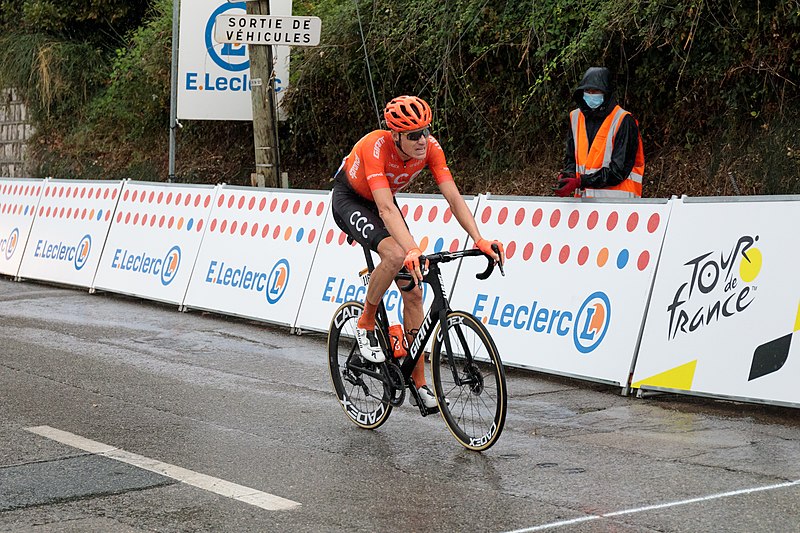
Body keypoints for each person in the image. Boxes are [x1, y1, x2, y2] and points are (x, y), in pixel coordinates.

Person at [331, 95, 504, 409]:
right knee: (397, 256)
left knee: (414, 292)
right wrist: (410, 248)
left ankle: (420, 382)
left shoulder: (431, 148)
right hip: (352, 199)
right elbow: (384, 208)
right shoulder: (375, 146)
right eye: (413, 135)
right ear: (395, 136)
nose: (423, 139)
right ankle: (366, 321)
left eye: (426, 130)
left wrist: (479, 238)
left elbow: (453, 197)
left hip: (381, 202)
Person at [554, 67, 645, 198]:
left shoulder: (623, 120)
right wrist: (568, 176)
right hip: (585, 204)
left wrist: (580, 182)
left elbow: (618, 171)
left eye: (596, 91)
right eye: (587, 91)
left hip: (618, 205)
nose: (591, 94)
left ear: (607, 93)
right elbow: (571, 158)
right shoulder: (575, 118)